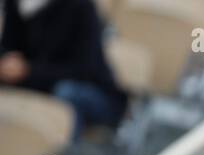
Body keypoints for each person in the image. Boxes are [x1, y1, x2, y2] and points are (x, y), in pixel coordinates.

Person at [0, 0, 127, 138]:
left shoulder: (81, 6)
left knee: (66, 92)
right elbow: (9, 47)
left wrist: (29, 71)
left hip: (93, 91)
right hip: (39, 82)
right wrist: (7, 62)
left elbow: (84, 69)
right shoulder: (18, 4)